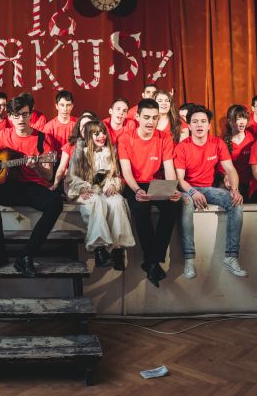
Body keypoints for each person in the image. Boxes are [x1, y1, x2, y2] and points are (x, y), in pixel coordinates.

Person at [0, 96, 60, 276]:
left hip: (34, 187)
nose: (21, 119)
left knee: (56, 203)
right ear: (10, 117)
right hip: (12, 185)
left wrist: (36, 166)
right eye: (16, 115)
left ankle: (26, 256)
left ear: (31, 115)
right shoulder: (5, 135)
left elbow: (49, 175)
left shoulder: (43, 139)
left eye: (24, 114)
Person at [174, 106, 246, 279]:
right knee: (186, 203)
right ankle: (189, 260)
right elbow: (179, 179)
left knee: (236, 201)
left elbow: (230, 169)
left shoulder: (217, 143)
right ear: (189, 126)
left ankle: (231, 256)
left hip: (208, 189)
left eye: (203, 121)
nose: (199, 125)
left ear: (209, 125)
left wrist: (235, 190)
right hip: (186, 189)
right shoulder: (182, 147)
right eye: (195, 122)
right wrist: (192, 192)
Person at [118, 98, 182, 288]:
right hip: (134, 184)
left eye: (154, 118)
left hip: (155, 183)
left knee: (174, 205)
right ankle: (152, 262)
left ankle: (152, 261)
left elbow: (169, 168)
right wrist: (137, 190)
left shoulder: (164, 137)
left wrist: (172, 189)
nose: (150, 122)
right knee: (141, 208)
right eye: (146, 117)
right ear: (137, 117)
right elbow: (126, 172)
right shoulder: (125, 138)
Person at [66, 120, 135, 271]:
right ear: (88, 136)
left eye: (103, 132)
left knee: (117, 202)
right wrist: (82, 188)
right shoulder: (80, 153)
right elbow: (72, 177)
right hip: (85, 191)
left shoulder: (110, 151)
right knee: (95, 201)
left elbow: (116, 174)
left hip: (103, 190)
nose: (101, 136)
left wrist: (113, 184)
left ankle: (117, 250)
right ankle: (100, 250)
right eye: (96, 133)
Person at [51, 112, 99, 191]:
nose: (84, 128)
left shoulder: (98, 144)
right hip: (74, 185)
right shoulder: (70, 145)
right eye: (82, 125)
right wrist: (55, 185)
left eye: (87, 125)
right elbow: (62, 168)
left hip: (94, 184)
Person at [222, 104, 255, 197]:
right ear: (230, 121)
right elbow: (222, 167)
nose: (242, 122)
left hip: (249, 183)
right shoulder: (223, 142)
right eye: (238, 119)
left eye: (244, 118)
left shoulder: (252, 138)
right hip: (232, 183)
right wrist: (226, 176)